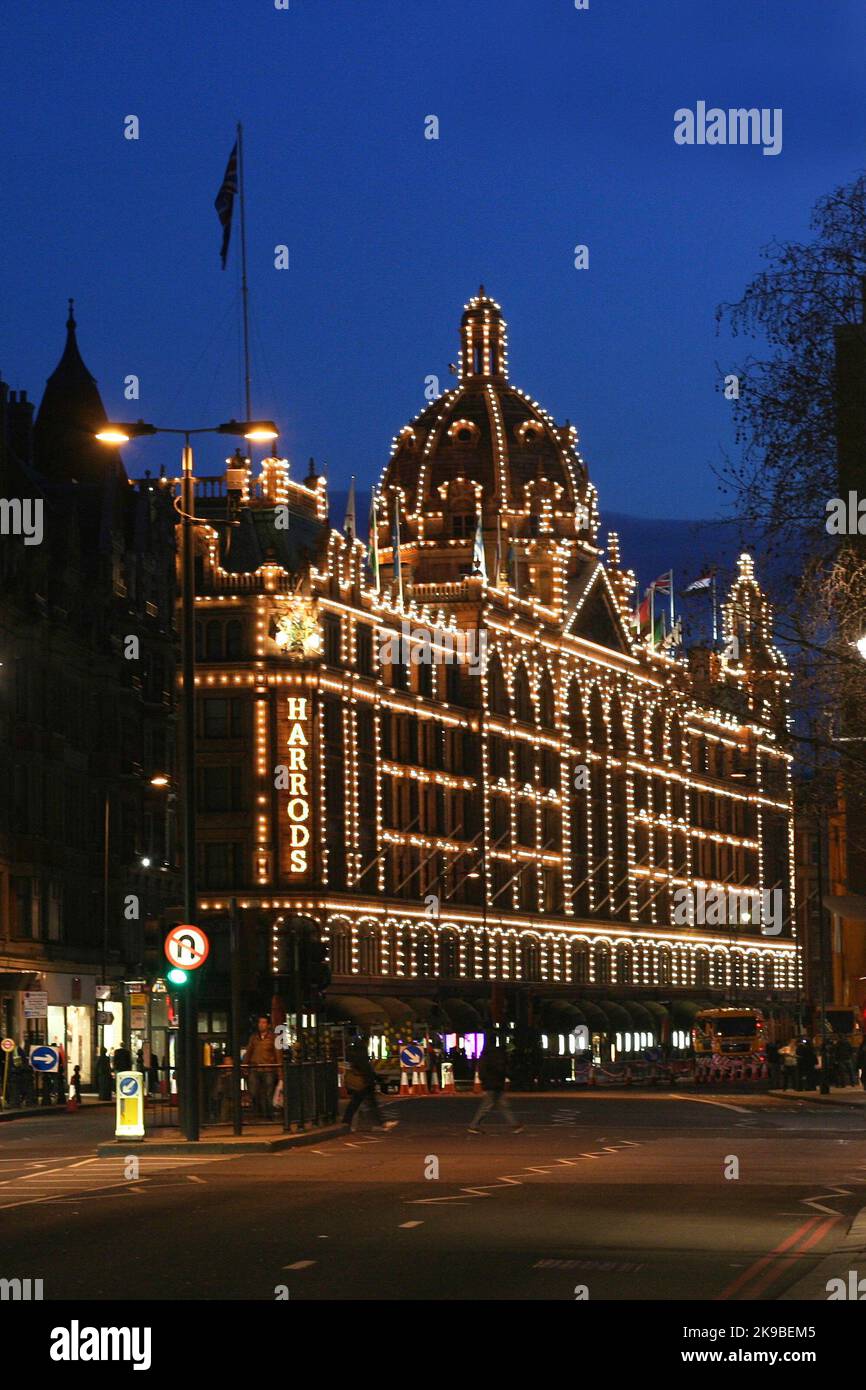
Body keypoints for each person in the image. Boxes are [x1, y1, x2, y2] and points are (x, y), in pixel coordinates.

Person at [468, 1039, 524, 1133]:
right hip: (497, 1083)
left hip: (490, 1083)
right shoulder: (499, 1057)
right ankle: (474, 1125)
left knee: (495, 1105)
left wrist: (483, 1081)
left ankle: (514, 1125)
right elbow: (503, 1070)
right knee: (493, 1106)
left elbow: (482, 1071)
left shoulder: (485, 1056)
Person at [342, 1038, 397, 1132]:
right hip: (364, 1083)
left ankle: (347, 1123)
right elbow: (367, 1070)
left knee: (357, 1104)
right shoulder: (362, 1057)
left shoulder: (355, 1057)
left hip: (362, 1083)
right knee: (364, 1104)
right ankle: (380, 1124)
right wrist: (374, 1079)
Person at [244, 1017, 279, 1118]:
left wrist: (279, 1070)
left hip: (269, 1068)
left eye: (263, 1022)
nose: (261, 1024)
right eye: (260, 1022)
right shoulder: (254, 1037)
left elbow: (278, 1054)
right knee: (254, 1092)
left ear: (268, 1025)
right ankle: (258, 1113)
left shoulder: (273, 1037)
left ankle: (268, 1114)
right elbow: (248, 1052)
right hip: (255, 1067)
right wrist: (245, 1066)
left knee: (269, 1092)